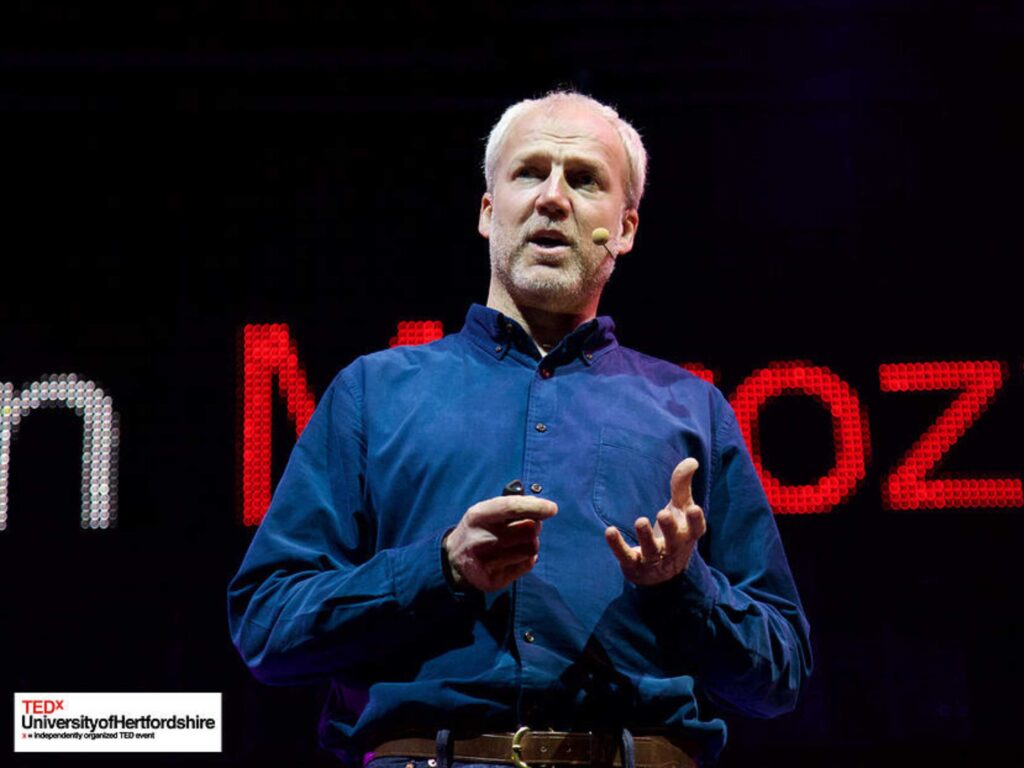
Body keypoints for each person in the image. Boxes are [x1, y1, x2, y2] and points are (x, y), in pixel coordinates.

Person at [228, 91, 812, 768]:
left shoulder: (694, 409)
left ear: (624, 229)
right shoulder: (372, 393)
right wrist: (440, 566)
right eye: (530, 172)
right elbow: (267, 628)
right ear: (487, 211)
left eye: (585, 179)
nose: (554, 199)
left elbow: (782, 673)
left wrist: (681, 585)